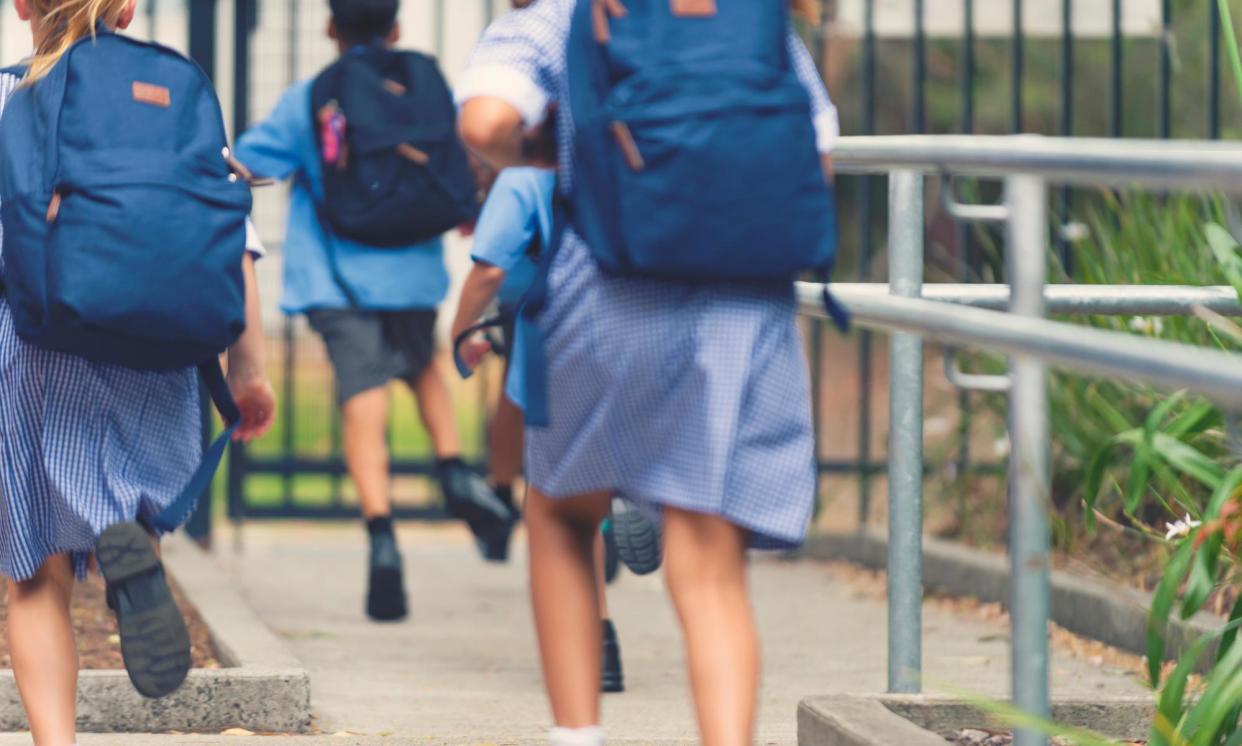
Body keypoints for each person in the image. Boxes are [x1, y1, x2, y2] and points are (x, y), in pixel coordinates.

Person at [456, 0, 839, 743]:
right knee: (710, 559)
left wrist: (546, 152)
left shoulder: (557, 19)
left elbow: (484, 123)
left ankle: (578, 735)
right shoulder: (757, 20)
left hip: (608, 289)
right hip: (741, 298)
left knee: (562, 513)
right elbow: (816, 157)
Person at [0, 0, 276, 742]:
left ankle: (57, 741)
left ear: (22, 5)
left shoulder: (7, 95)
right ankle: (137, 555)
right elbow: (233, 236)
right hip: (161, 344)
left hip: (37, 339)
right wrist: (247, 369)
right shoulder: (174, 92)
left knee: (33, 577)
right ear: (126, 8)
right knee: (136, 501)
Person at [235, 0, 512, 623]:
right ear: (398, 28)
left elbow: (247, 164)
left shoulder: (313, 98)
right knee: (423, 368)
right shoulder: (423, 82)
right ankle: (453, 470)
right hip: (413, 273)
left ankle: (382, 538)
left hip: (339, 281)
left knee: (364, 396)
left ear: (331, 28)